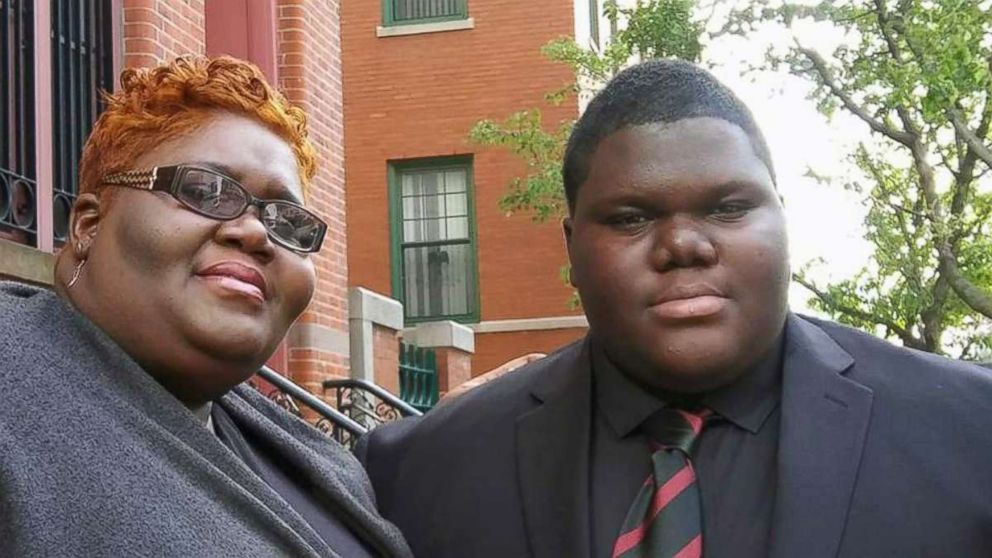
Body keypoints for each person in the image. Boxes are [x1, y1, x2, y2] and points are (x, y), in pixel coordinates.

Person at [357, 59, 992, 557]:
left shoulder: (971, 433)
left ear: (782, 218)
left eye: (729, 208)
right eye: (631, 218)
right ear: (572, 249)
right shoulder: (415, 473)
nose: (684, 245)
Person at [0, 55, 412, 558]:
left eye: (288, 221)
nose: (258, 233)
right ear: (89, 225)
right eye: (205, 190)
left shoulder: (319, 463)